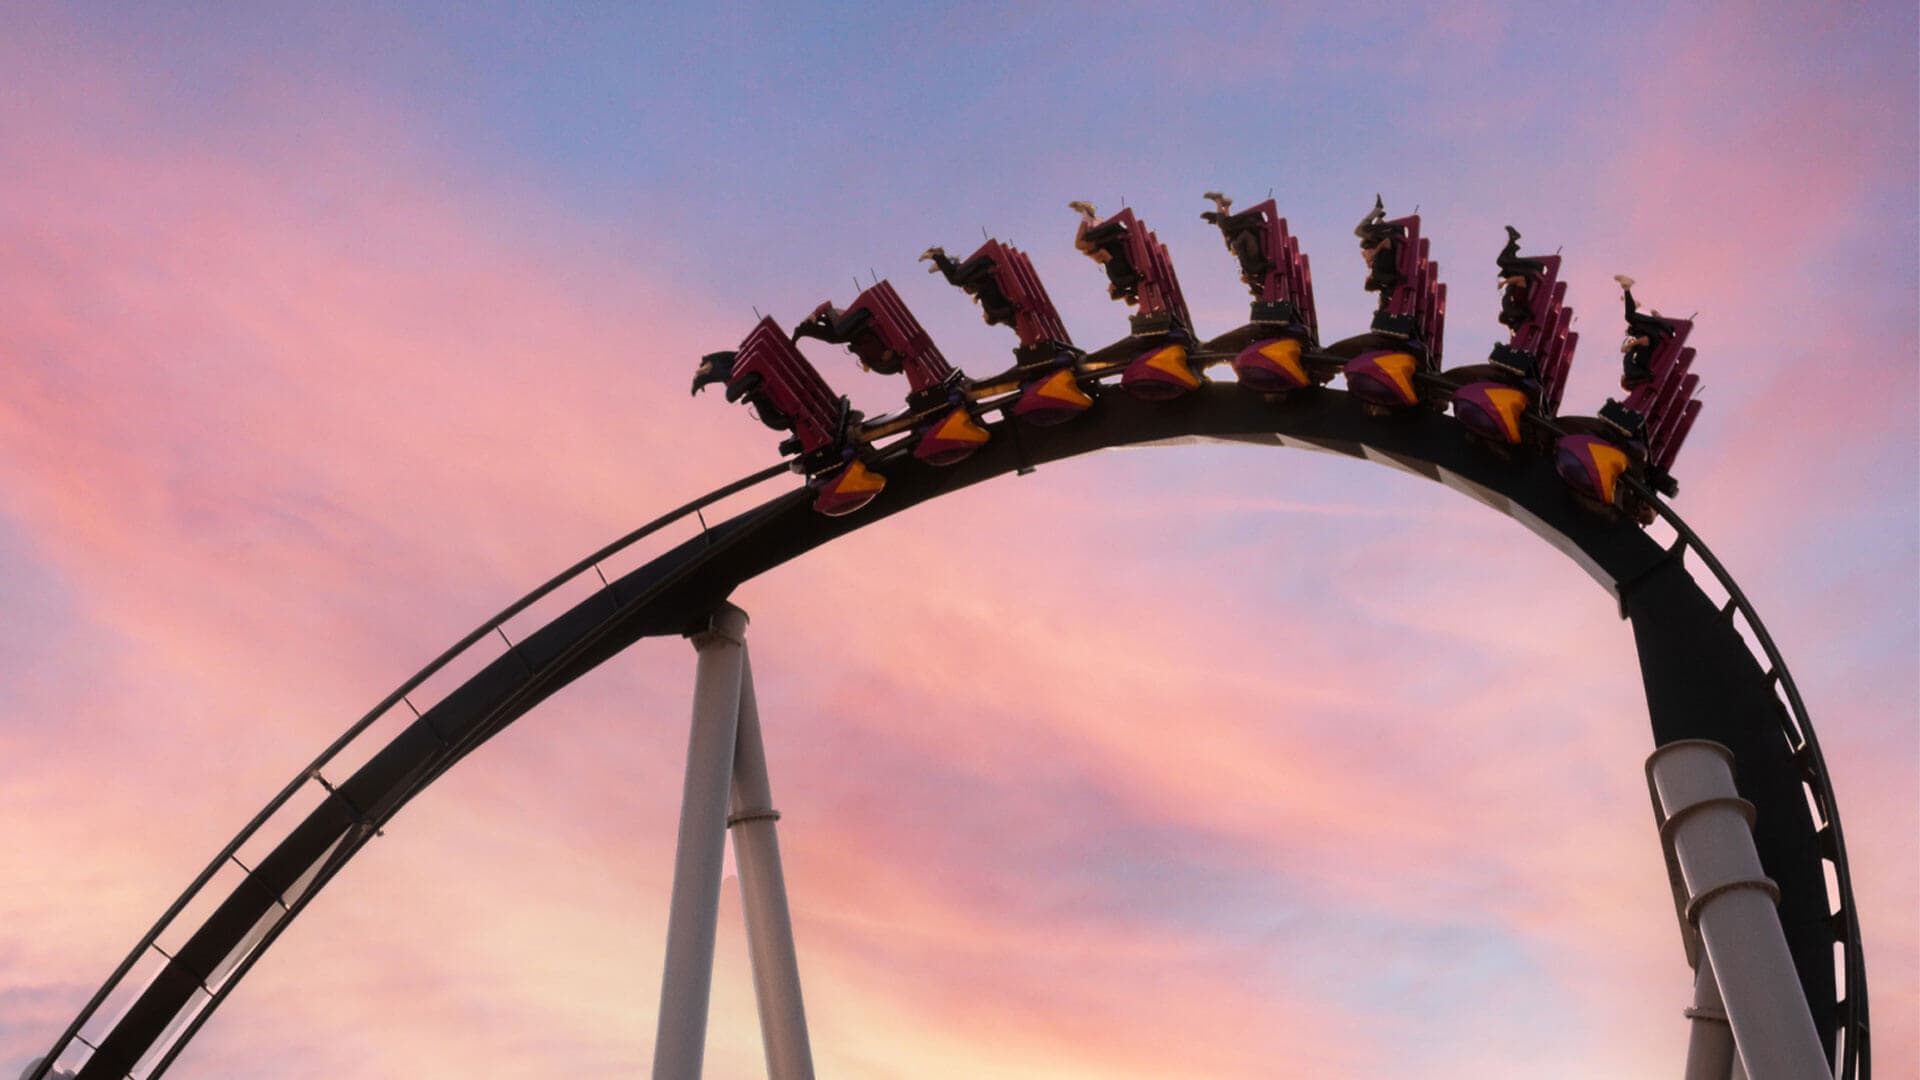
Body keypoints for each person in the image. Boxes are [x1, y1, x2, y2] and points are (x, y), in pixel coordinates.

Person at [1614, 274, 1674, 389]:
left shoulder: (1645, 369)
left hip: (1660, 332)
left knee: (1632, 329)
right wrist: (1629, 346)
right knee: (1630, 317)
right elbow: (1645, 340)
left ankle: (1633, 304)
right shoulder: (1638, 365)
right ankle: (1627, 287)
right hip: (1660, 330)